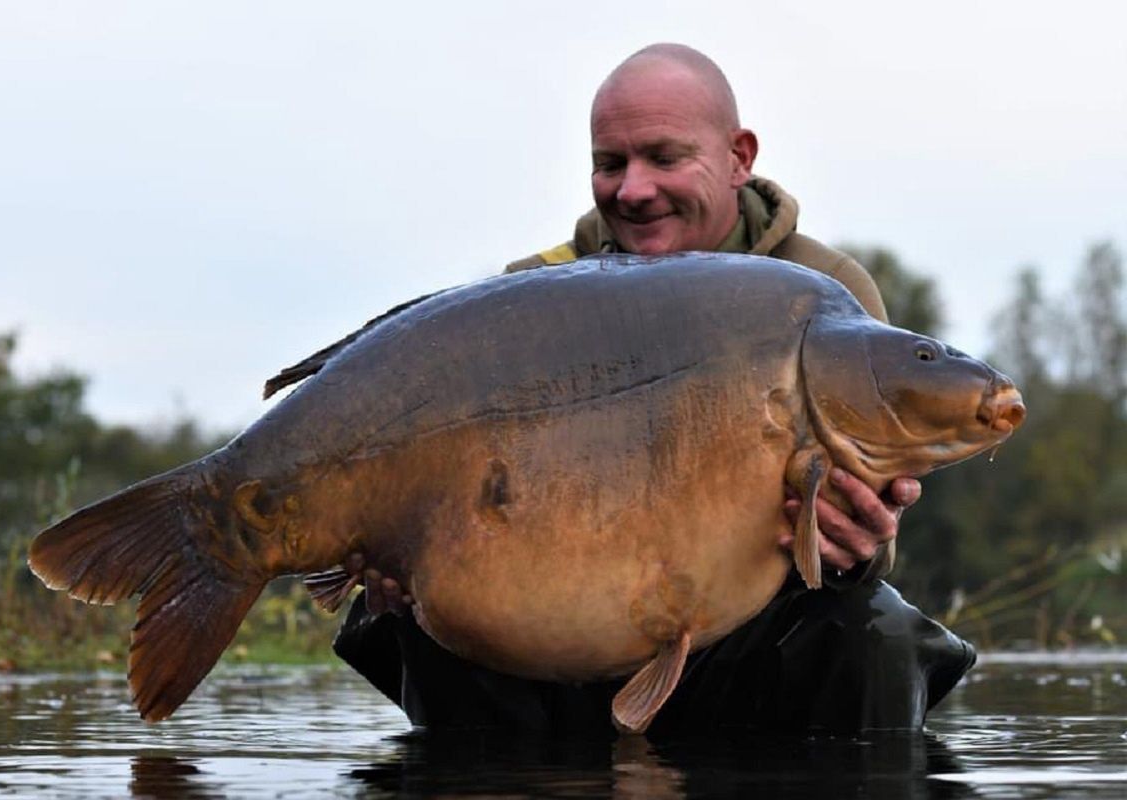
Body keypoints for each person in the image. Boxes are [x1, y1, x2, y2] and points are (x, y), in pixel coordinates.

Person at [333, 43, 975, 734]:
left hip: (748, 627)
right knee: (405, 620)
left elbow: (873, 536)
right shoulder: (532, 293)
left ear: (739, 157)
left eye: (664, 158)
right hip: (560, 619)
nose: (633, 190)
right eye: (610, 164)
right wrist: (407, 554)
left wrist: (861, 545)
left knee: (877, 631)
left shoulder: (827, 293)